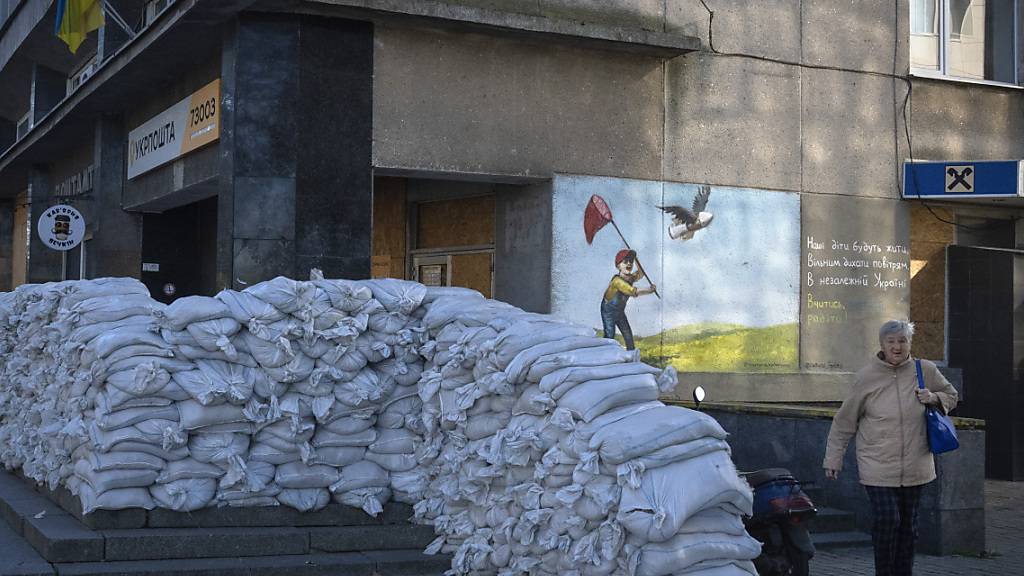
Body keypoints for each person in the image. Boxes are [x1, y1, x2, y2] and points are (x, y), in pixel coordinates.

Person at [823, 320, 958, 576]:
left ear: (910, 343)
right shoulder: (866, 377)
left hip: (917, 463)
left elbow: (952, 394)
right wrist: (833, 459)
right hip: (877, 464)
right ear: (882, 344)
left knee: (909, 525)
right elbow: (844, 421)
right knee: (888, 520)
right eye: (891, 341)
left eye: (902, 341)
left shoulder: (925, 369)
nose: (897, 347)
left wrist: (934, 397)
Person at [600, 249, 656, 350]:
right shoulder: (617, 281)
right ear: (618, 266)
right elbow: (632, 291)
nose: (629, 264)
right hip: (608, 312)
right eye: (625, 262)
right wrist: (649, 290)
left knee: (628, 336)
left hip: (620, 311)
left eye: (631, 261)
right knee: (609, 336)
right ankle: (605, 358)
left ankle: (631, 358)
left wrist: (637, 260)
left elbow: (641, 273)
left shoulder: (629, 278)